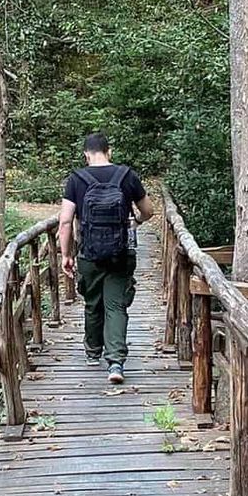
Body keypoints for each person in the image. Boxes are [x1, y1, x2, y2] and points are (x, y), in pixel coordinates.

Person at [59, 132, 154, 383]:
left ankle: (92, 351)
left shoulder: (76, 179)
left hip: (89, 254)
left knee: (92, 303)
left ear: (86, 155)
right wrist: (136, 223)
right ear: (109, 151)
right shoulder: (127, 175)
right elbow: (149, 211)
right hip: (120, 252)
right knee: (116, 306)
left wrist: (66, 254)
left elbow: (66, 222)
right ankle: (115, 363)